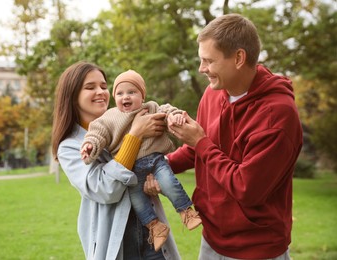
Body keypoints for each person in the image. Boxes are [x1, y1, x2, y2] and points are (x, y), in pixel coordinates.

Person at [145, 14, 303, 259]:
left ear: (239, 58)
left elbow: (246, 188)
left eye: (209, 60)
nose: (201, 69)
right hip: (212, 239)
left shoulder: (277, 115)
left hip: (257, 248)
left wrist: (199, 141)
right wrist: (159, 168)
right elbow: (198, 150)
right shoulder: (212, 93)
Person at [52, 62, 181, 260]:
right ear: (72, 95)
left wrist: (154, 181)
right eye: (90, 87)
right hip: (117, 242)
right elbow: (105, 189)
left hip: (153, 236)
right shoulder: (70, 146)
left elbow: (154, 159)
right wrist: (135, 136)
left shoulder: (125, 121)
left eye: (104, 86)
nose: (101, 92)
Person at [80, 70, 202, 251]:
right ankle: (155, 227)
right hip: (132, 171)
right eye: (120, 93)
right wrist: (90, 145)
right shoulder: (110, 116)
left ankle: (186, 212)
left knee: (169, 183)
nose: (125, 97)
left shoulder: (151, 107)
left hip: (156, 161)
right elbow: (97, 132)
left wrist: (174, 116)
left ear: (142, 96)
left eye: (131, 92)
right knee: (138, 200)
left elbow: (167, 111)